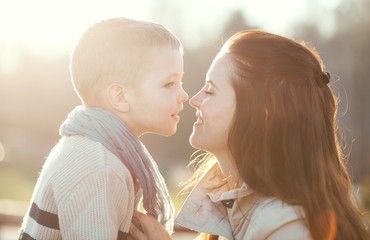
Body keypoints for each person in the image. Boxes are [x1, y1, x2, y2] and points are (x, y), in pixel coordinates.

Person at [129, 30, 370, 239]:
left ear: (264, 114)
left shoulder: (289, 229)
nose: (194, 99)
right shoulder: (243, 212)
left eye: (210, 90)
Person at [18, 17, 188, 240]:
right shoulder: (98, 167)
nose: (184, 96)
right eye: (169, 84)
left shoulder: (89, 149)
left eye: (180, 82)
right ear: (120, 96)